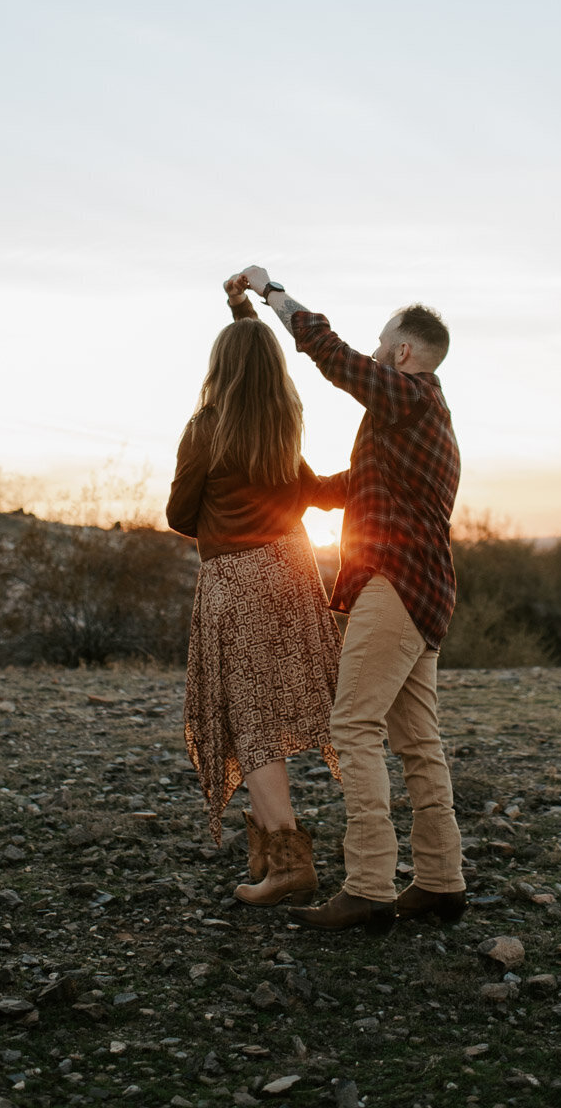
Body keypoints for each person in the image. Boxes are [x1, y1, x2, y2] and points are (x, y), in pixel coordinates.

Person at [235, 265, 466, 933]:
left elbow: (328, 353)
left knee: (353, 728)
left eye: (379, 347)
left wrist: (271, 292)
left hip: (395, 586)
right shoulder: (419, 417)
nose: (369, 356)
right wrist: (295, 485)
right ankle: (441, 882)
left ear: (400, 353)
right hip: (423, 593)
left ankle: (367, 886)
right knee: (418, 741)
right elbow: (358, 487)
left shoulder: (409, 396)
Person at [166, 274, 347, 907]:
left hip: (237, 582)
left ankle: (289, 860)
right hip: (293, 574)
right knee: (282, 710)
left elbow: (178, 514)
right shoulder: (282, 425)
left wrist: (218, 520)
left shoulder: (207, 428)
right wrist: (242, 306)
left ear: (220, 367)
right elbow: (312, 492)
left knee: (251, 723)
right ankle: (293, 851)